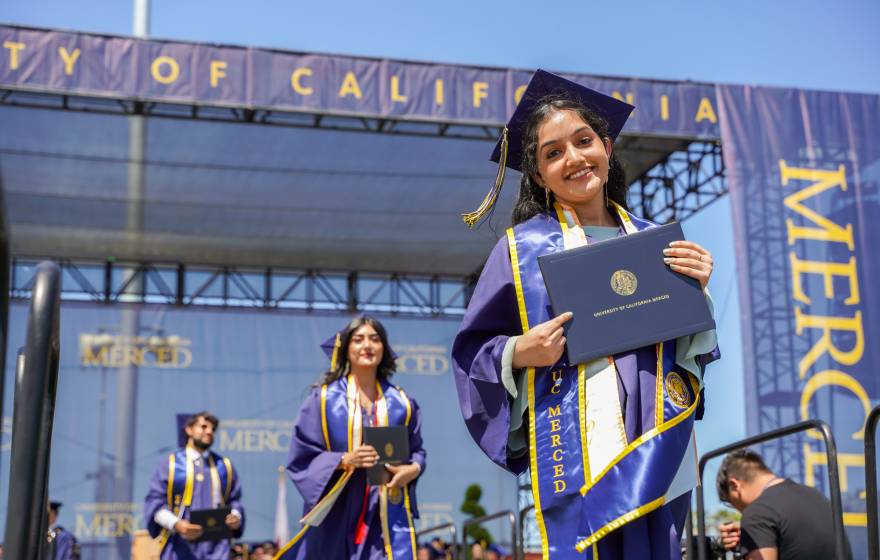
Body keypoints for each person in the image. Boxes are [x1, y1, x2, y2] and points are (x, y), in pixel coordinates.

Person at [452, 70, 720, 559]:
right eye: (553, 153)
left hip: (654, 439)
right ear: (537, 174)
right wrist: (518, 351)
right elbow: (474, 355)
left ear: (607, 147)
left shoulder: (654, 242)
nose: (574, 158)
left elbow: (692, 352)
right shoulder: (520, 251)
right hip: (574, 446)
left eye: (583, 141)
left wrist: (698, 290)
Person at [277, 316, 427, 559]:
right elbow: (301, 456)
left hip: (384, 508)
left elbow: (417, 451)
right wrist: (345, 459)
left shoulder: (402, 403)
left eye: (374, 339)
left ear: (384, 348)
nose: (367, 345)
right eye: (358, 340)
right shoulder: (324, 400)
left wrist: (413, 469)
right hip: (337, 508)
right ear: (346, 349)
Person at [144, 411, 245, 559]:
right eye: (203, 427)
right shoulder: (171, 465)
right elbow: (155, 503)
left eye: (212, 429)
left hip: (217, 549)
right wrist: (176, 524)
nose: (209, 431)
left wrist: (235, 517)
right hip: (180, 547)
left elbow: (234, 501)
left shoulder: (224, 467)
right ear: (189, 429)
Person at [716, 449, 850, 560]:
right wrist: (751, 538)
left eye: (734, 504)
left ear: (735, 485)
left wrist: (752, 527)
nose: (741, 511)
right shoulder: (816, 496)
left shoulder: (757, 512)